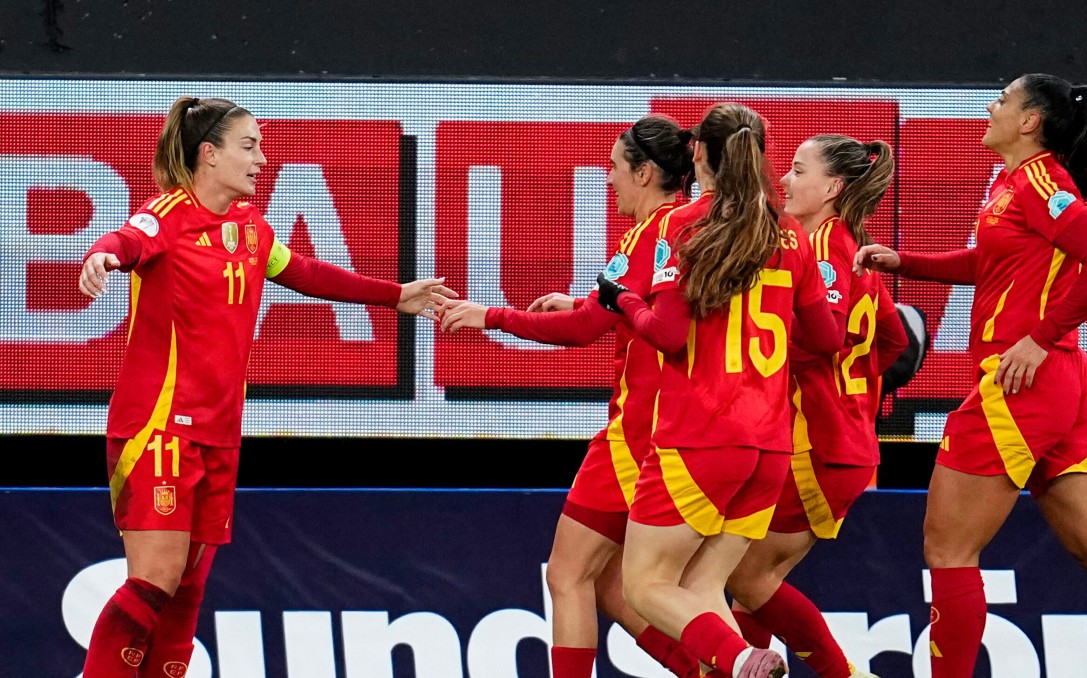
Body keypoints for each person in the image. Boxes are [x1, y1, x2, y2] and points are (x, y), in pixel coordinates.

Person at [76, 95, 456, 678]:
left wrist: (393, 294)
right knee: (155, 581)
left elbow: (303, 271)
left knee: (187, 596)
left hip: (220, 435)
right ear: (209, 154)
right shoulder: (166, 215)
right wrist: (99, 259)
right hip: (158, 430)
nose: (261, 160)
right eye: (248, 147)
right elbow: (125, 241)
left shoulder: (251, 227)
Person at [854, 73, 1087, 676]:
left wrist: (1037, 341)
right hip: (1062, 386)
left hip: (1022, 388)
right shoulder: (1015, 184)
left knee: (948, 548)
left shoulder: (1042, 182)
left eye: (1003, 100)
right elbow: (989, 262)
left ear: (1030, 121)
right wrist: (904, 261)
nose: (990, 107)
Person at [439, 115, 713, 678]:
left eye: (614, 166)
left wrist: (489, 315)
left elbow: (585, 330)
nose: (606, 178)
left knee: (567, 576)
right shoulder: (679, 228)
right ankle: (705, 668)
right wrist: (588, 305)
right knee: (617, 587)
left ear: (644, 172)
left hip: (635, 433)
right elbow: (630, 313)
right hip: (681, 431)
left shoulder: (652, 233)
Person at [596, 102, 844, 678]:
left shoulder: (686, 225)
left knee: (644, 586)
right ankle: (736, 662)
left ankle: (740, 657)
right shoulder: (789, 235)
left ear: (699, 154)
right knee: (703, 586)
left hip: (701, 437)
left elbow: (668, 335)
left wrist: (621, 299)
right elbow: (828, 339)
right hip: (770, 446)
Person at [724, 135, 907, 678]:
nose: (784, 179)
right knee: (750, 588)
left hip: (815, 447)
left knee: (744, 579)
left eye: (799, 170)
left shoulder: (823, 246)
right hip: (842, 444)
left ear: (832, 187)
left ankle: (842, 674)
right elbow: (894, 342)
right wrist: (855, 397)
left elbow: (816, 336)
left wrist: (752, 366)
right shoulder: (857, 248)